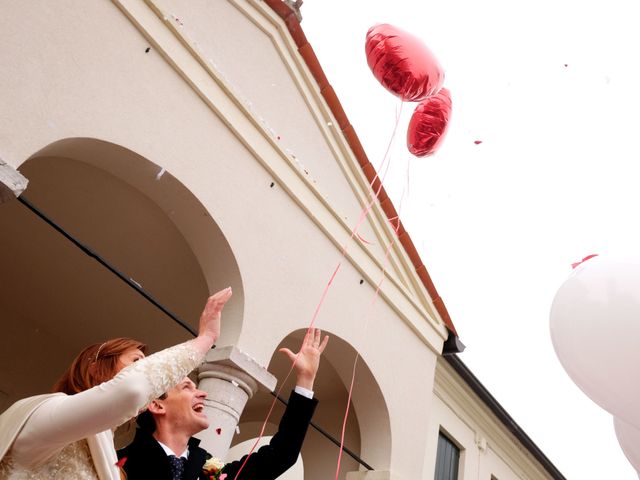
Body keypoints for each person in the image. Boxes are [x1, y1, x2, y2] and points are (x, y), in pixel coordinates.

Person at [0, 287, 233, 480]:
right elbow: (132, 389)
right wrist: (205, 340)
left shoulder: (113, 463)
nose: (145, 371)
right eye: (136, 362)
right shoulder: (45, 414)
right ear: (96, 367)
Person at [117, 328, 329, 480]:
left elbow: (280, 456)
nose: (202, 393)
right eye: (187, 387)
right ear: (157, 406)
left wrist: (305, 380)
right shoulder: (120, 463)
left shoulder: (207, 468)